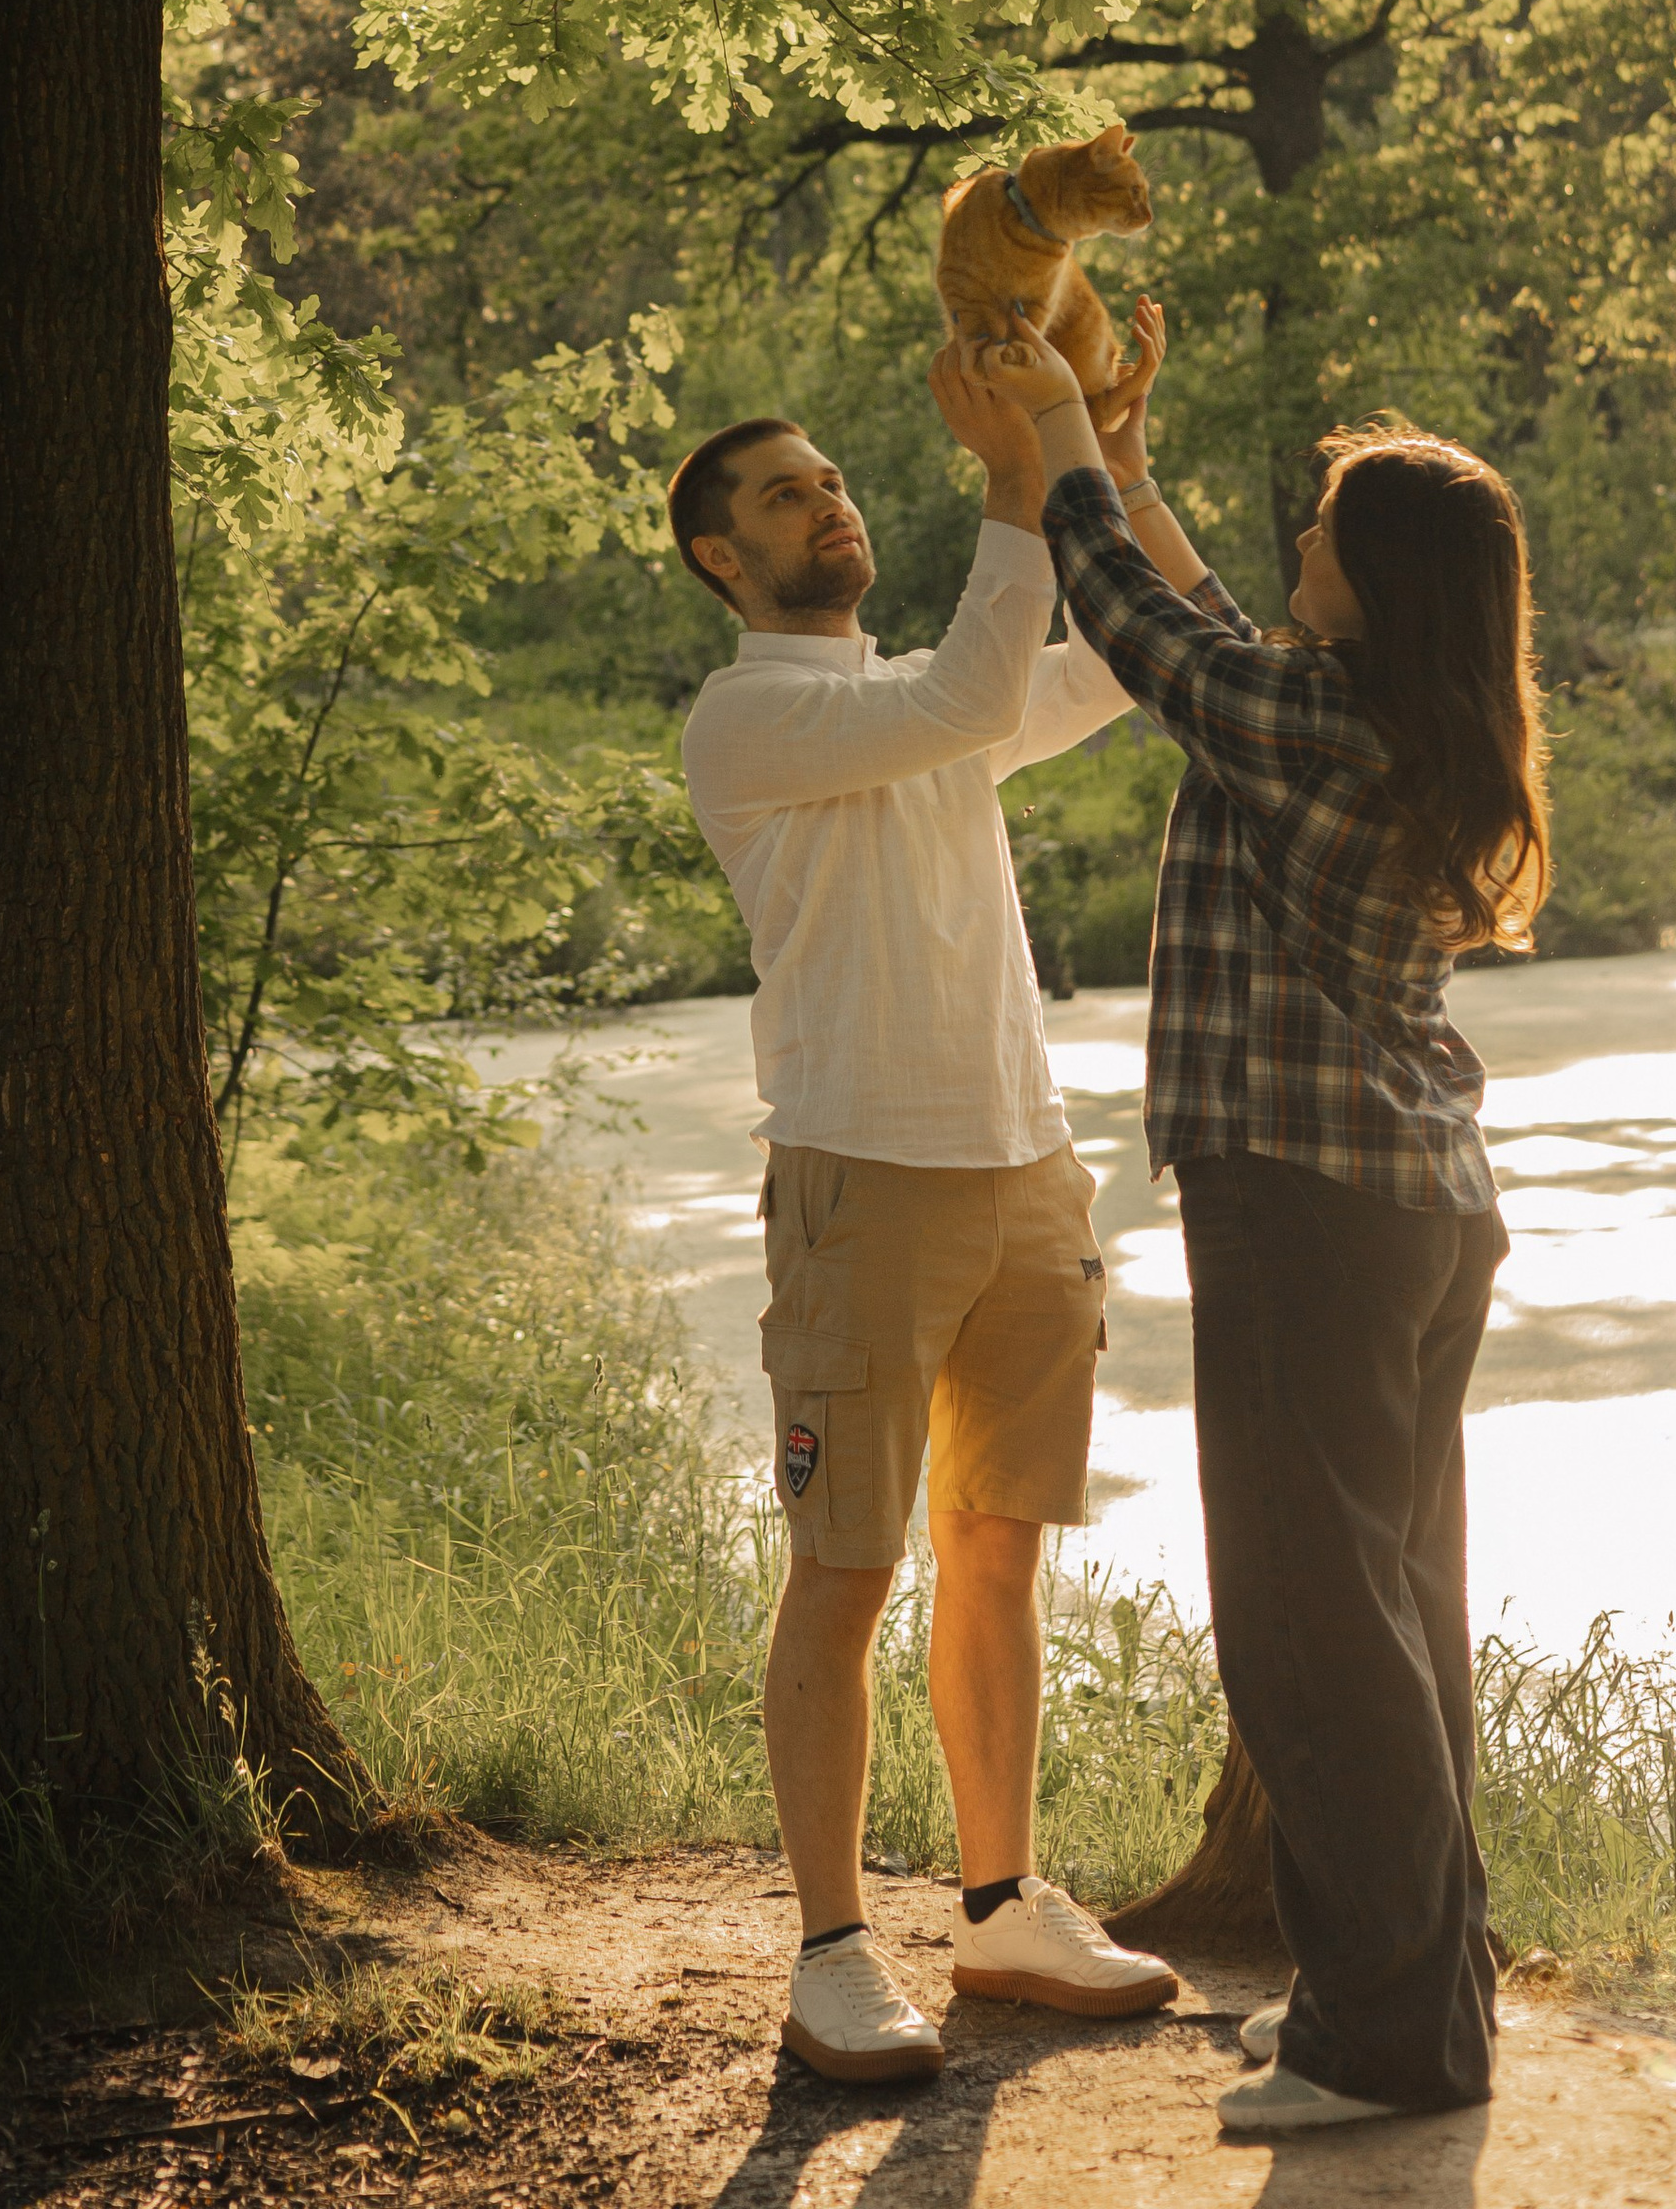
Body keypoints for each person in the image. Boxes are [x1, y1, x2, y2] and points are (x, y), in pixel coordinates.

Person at [972, 293, 1541, 2142]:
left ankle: (1380, 2046)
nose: (1298, 537)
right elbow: (1213, 631)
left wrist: (1062, 438)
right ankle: (1417, 2004)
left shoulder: (1313, 721)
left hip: (1306, 1212)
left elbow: (1142, 632)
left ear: (1379, 582)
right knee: (1397, 1618)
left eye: (1324, 529)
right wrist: (1129, 457)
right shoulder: (1386, 714)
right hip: (1415, 1209)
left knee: (1309, 1627)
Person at [673, 347, 1181, 2087]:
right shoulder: (749, 718)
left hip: (1026, 1169)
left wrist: (1105, 451)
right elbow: (979, 689)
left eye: (830, 477)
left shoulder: (918, 692)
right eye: (784, 493)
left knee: (998, 1551)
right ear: (723, 558)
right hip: (860, 1180)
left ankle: (1002, 1909)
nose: (827, 501)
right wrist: (1020, 472)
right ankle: (831, 1954)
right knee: (846, 1568)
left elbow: (1138, 649)